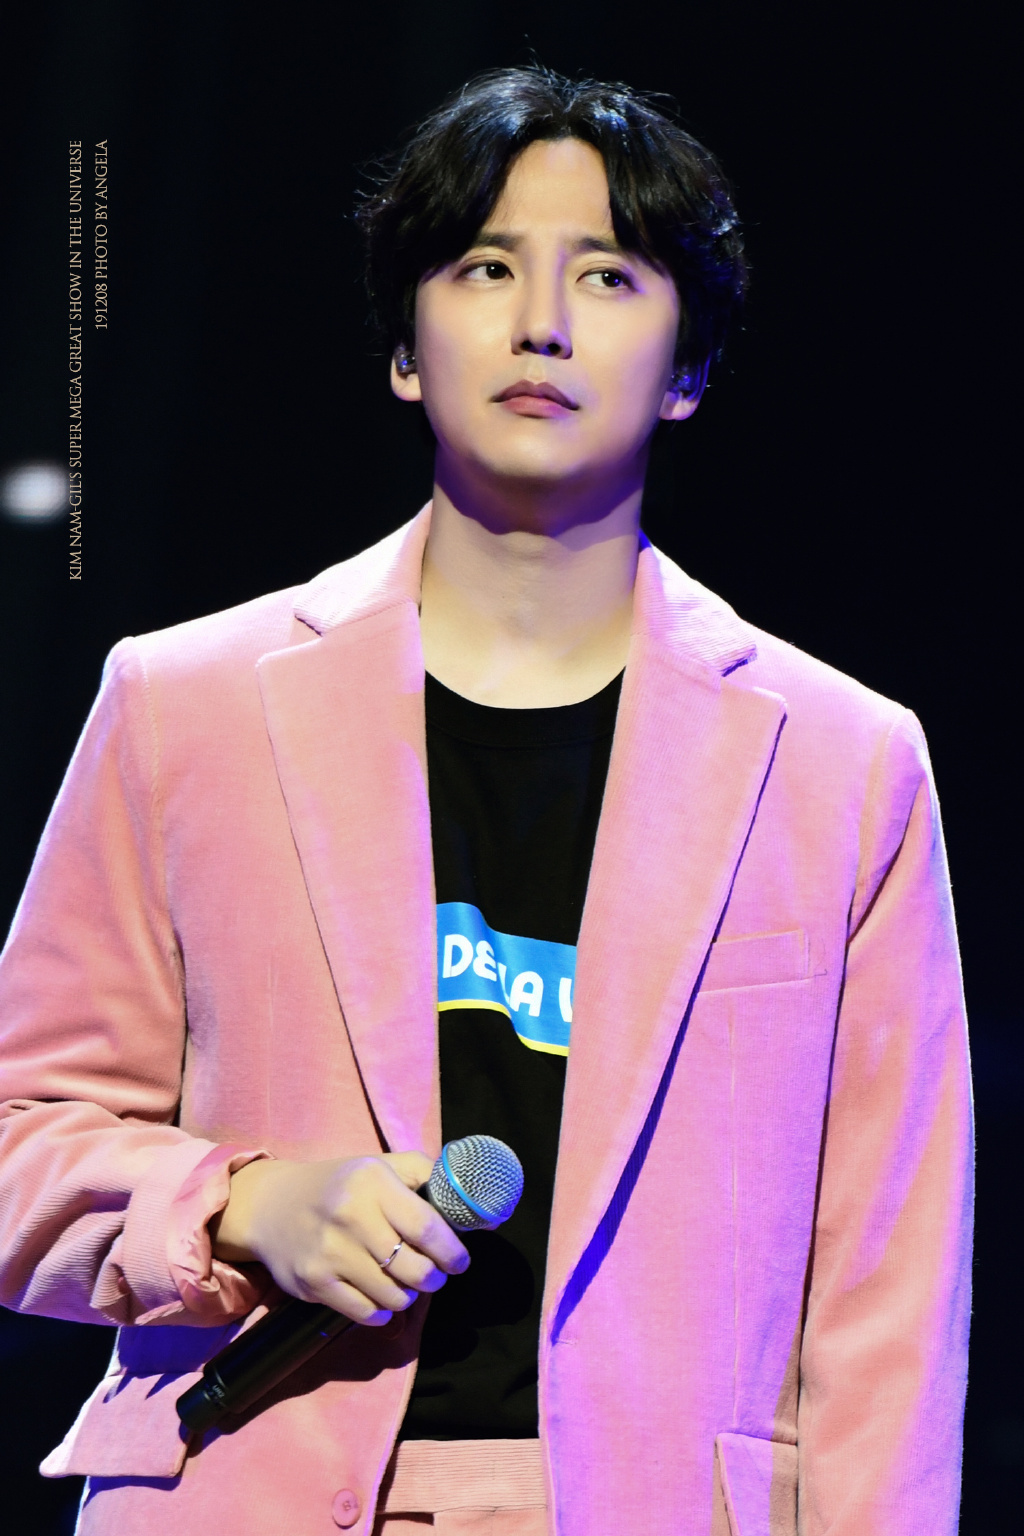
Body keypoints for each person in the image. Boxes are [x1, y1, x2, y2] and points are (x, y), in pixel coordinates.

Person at [0, 66, 972, 1536]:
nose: (544, 323)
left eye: (610, 275)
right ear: (406, 348)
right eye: (486, 267)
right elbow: (24, 1133)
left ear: (690, 368)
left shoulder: (842, 762)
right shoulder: (183, 705)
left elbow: (890, 1284)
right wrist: (241, 1204)